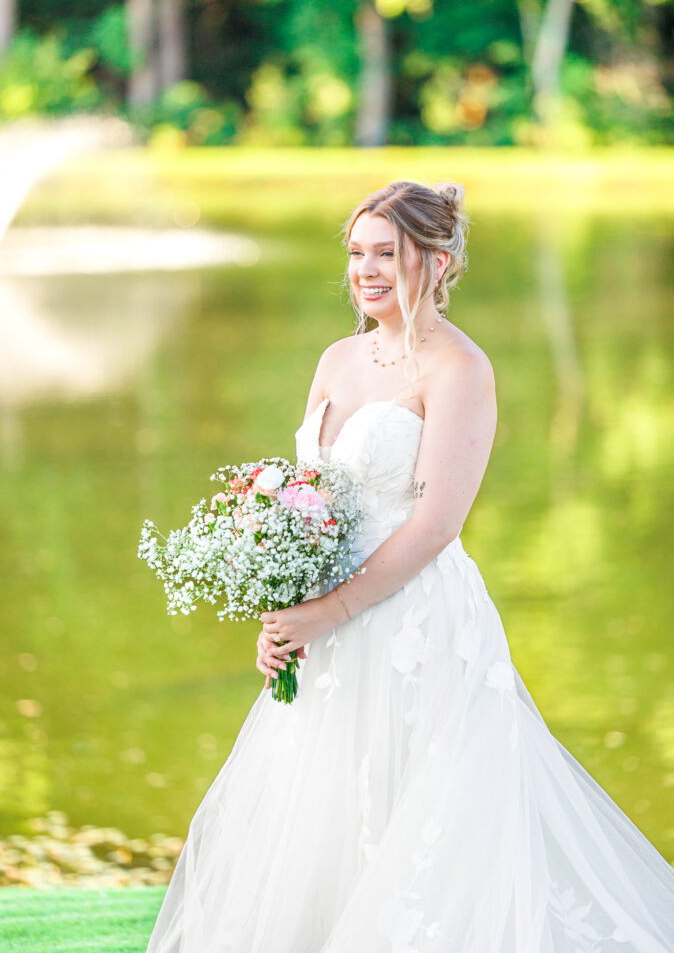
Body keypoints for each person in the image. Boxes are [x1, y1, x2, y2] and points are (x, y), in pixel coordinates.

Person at [146, 180, 674, 952]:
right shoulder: (335, 358)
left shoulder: (458, 369)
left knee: (428, 815)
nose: (365, 269)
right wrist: (287, 611)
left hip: (416, 624)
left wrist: (328, 612)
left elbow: (434, 526)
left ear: (438, 260)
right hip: (329, 628)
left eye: (385, 253)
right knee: (323, 809)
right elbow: (312, 498)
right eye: (357, 252)